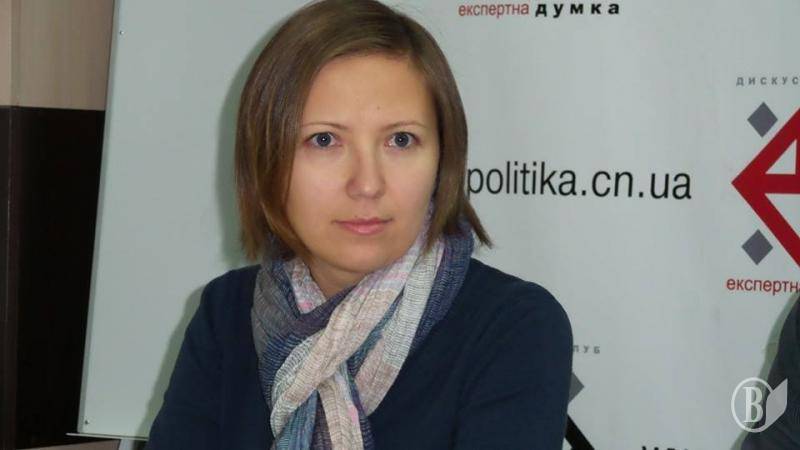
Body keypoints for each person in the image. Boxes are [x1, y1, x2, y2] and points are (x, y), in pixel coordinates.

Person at [146, 0, 573, 448]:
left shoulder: (514, 326)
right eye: (324, 140)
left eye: (401, 140)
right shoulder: (227, 313)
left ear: (443, 159)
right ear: (266, 159)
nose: (367, 184)